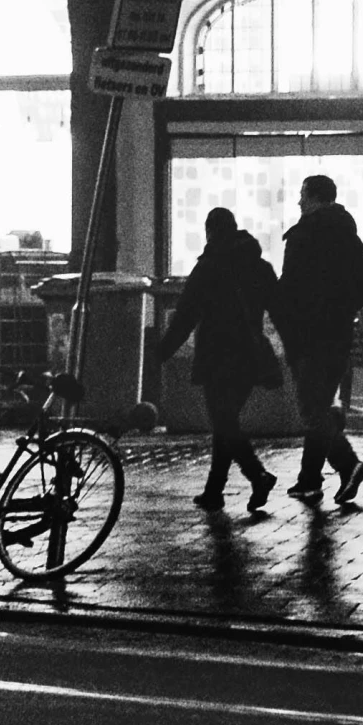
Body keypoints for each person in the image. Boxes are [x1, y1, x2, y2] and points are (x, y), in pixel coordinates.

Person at [152, 208, 280, 512]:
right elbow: (280, 307)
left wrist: (160, 353)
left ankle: (257, 474)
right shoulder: (260, 267)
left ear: (210, 231)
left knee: (224, 422)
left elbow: (185, 317)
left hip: (218, 358)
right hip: (250, 357)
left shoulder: (208, 267)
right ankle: (214, 490)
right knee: (226, 423)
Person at [272, 174, 363, 506]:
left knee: (312, 408)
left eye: (303, 195)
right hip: (339, 336)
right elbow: (362, 290)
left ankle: (348, 464)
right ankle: (309, 480)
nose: (299, 201)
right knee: (320, 405)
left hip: (308, 337)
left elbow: (288, 291)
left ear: (315, 198)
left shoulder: (303, 237)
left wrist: (287, 326)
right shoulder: (350, 238)